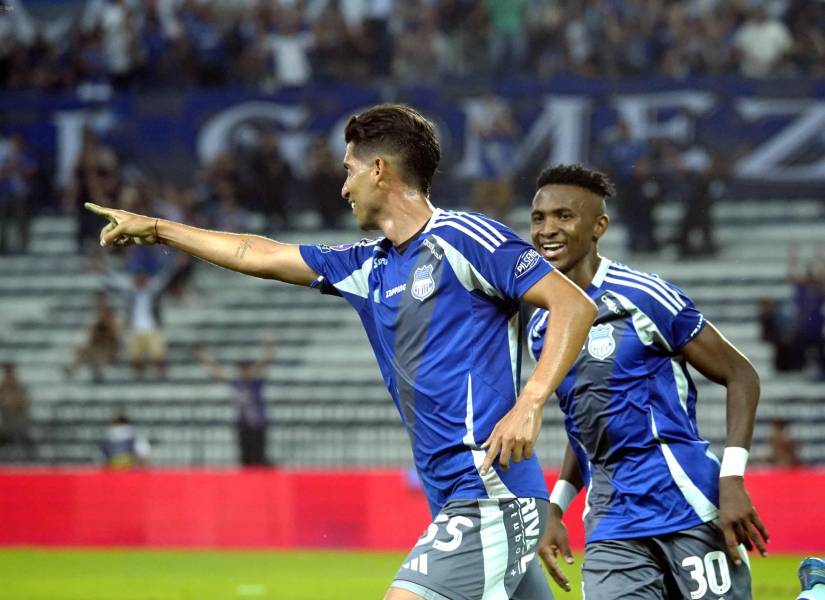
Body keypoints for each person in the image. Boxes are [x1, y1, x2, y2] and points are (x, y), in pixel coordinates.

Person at [86, 103, 597, 600]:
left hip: (491, 493)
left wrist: (530, 403)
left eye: (349, 170)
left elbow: (572, 305)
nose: (343, 185)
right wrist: (157, 229)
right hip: (452, 498)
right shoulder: (366, 266)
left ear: (380, 170)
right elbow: (257, 252)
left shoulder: (464, 239)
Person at [525, 164, 769, 598]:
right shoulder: (542, 326)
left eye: (565, 216)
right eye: (539, 218)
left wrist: (732, 480)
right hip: (611, 522)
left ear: (598, 226)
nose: (548, 230)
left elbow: (741, 374)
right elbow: (585, 421)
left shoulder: (642, 295)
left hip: (686, 506)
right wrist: (556, 507)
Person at [195, 338, 275, 467]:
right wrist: (204, 357)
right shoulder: (237, 383)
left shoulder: (256, 383)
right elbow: (217, 372)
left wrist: (269, 347)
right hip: (243, 426)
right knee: (245, 459)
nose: (245, 372)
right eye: (243, 369)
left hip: (258, 425)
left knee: (259, 457)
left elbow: (265, 363)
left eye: (247, 369)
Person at [0, 363, 34, 460]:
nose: (10, 375)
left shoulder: (19, 387)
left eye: (11, 372)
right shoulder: (2, 387)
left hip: (18, 422)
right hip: (6, 423)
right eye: (8, 372)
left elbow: (25, 402)